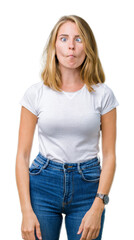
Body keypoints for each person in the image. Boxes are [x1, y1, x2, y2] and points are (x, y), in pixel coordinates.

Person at [15, 15, 119, 240]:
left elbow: (110, 155)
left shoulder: (103, 95)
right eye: (64, 39)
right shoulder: (35, 94)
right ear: (54, 45)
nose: (71, 46)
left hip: (88, 186)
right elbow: (22, 156)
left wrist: (98, 205)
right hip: (43, 183)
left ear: (88, 46)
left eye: (78, 39)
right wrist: (25, 210)